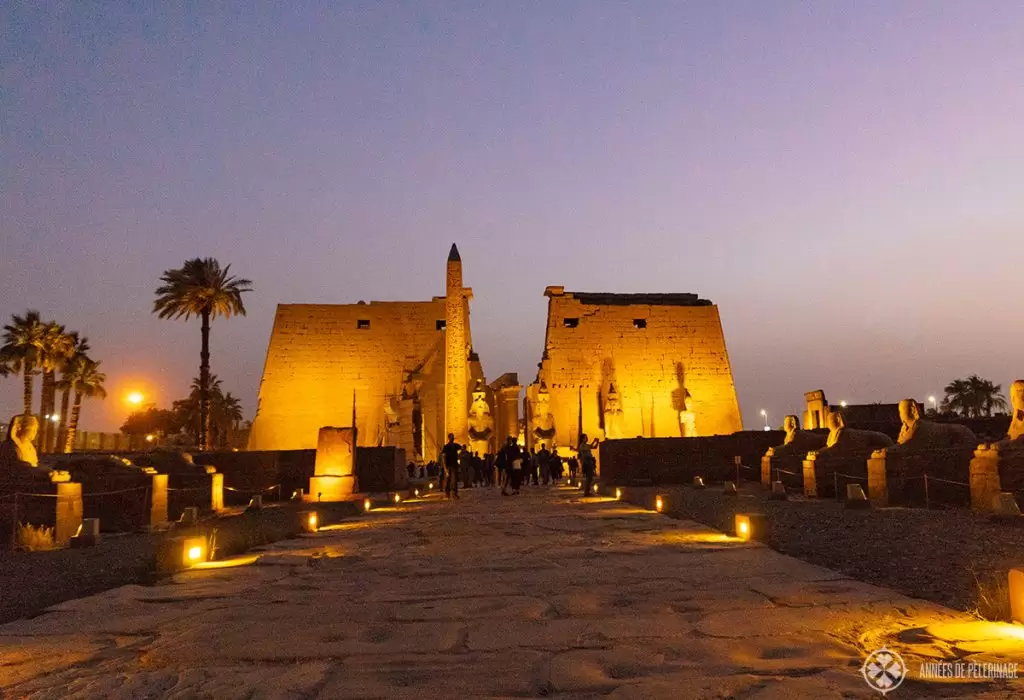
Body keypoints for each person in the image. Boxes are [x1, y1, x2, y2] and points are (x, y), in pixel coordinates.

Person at [441, 433, 462, 499]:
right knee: (448, 480)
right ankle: (447, 494)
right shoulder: (446, 447)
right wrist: (445, 467)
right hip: (448, 465)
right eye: (451, 437)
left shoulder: (456, 445)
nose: (452, 439)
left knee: (455, 480)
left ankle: (455, 494)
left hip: (454, 465)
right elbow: (443, 456)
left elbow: (461, 448)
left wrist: (459, 457)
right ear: (449, 438)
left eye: (453, 437)